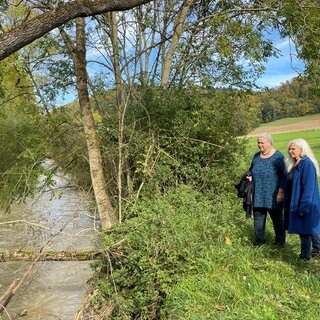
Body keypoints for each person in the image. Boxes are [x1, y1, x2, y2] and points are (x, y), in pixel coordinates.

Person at [283, 138, 320, 261]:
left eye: (293, 149)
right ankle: (316, 251)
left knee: (305, 230)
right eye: (289, 148)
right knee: (309, 229)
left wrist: (304, 206)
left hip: (305, 203)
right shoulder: (294, 164)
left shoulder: (306, 164)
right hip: (296, 202)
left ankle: (305, 257)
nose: (290, 151)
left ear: (301, 150)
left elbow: (308, 188)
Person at [247, 132, 286, 247]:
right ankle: (259, 243)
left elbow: (284, 176)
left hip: (274, 195)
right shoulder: (256, 156)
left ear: (269, 142)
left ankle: (280, 243)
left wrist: (281, 192)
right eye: (258, 143)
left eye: (262, 142)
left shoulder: (278, 157)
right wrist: (249, 176)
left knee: (278, 221)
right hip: (258, 194)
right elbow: (251, 169)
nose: (259, 145)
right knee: (258, 221)